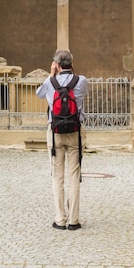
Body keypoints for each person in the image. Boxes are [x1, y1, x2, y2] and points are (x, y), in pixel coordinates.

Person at [36, 50, 89, 230]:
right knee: (74, 175)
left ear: (57, 64)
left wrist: (51, 74)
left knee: (57, 177)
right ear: (71, 63)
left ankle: (60, 220)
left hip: (55, 132)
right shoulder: (81, 81)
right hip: (75, 131)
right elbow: (84, 93)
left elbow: (39, 94)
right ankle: (74, 220)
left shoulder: (50, 82)